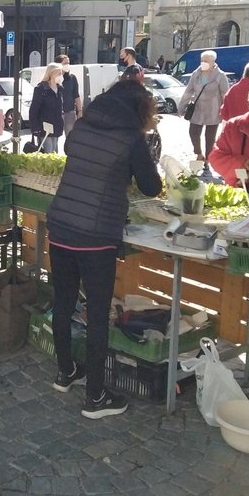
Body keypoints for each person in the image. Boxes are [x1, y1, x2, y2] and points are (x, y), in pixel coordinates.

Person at [46, 80, 162, 419]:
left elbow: (77, 158)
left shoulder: (81, 126)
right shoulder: (132, 139)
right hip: (95, 235)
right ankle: (95, 396)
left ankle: (65, 371)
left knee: (63, 302)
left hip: (61, 224)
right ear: (140, 109)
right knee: (97, 314)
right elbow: (151, 187)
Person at [177, 50, 229, 174]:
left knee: (209, 137)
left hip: (213, 110)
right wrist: (181, 106)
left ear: (213, 62)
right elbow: (189, 91)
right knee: (193, 132)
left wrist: (226, 110)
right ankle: (199, 154)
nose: (203, 63)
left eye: (206, 61)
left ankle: (208, 159)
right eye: (202, 60)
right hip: (197, 109)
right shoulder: (196, 74)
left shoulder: (220, 75)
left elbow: (225, 94)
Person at [28, 63, 65, 153]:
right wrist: (35, 127)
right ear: (51, 73)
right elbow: (34, 109)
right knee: (49, 151)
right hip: (44, 127)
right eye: (59, 73)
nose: (61, 76)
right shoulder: (41, 89)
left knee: (55, 151)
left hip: (56, 126)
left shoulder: (59, 89)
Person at [56, 54, 82, 136]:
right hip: (56, 112)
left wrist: (80, 111)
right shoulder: (54, 78)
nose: (67, 65)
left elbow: (76, 95)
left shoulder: (72, 78)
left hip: (69, 111)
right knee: (55, 137)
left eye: (68, 63)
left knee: (70, 136)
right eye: (65, 63)